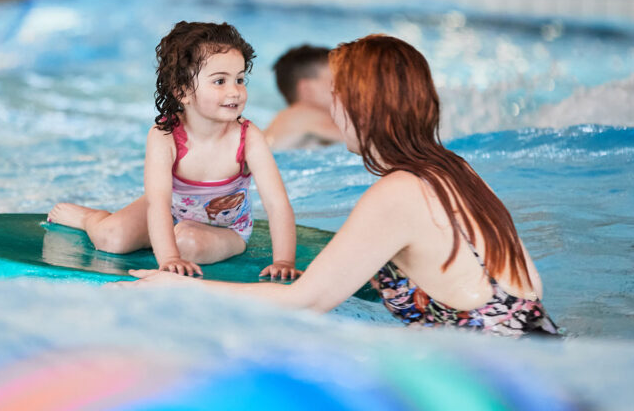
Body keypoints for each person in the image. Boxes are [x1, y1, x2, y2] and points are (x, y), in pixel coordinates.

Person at [121, 34, 561, 337]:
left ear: (361, 108)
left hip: (497, 380)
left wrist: (184, 288)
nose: (330, 108)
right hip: (537, 351)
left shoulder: (399, 193)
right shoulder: (456, 170)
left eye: (337, 95)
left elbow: (304, 301)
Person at [49, 21, 301, 280]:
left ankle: (166, 238)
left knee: (187, 244)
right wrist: (168, 259)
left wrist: (283, 260)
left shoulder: (248, 137)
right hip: (169, 211)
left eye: (239, 79)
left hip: (228, 229)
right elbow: (157, 203)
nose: (235, 91)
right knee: (112, 239)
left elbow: (277, 203)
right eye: (220, 81)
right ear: (182, 91)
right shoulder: (165, 136)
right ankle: (90, 219)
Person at [263, 45, 342, 150]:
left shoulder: (286, 119)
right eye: (338, 80)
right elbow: (363, 143)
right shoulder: (304, 114)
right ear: (307, 89)